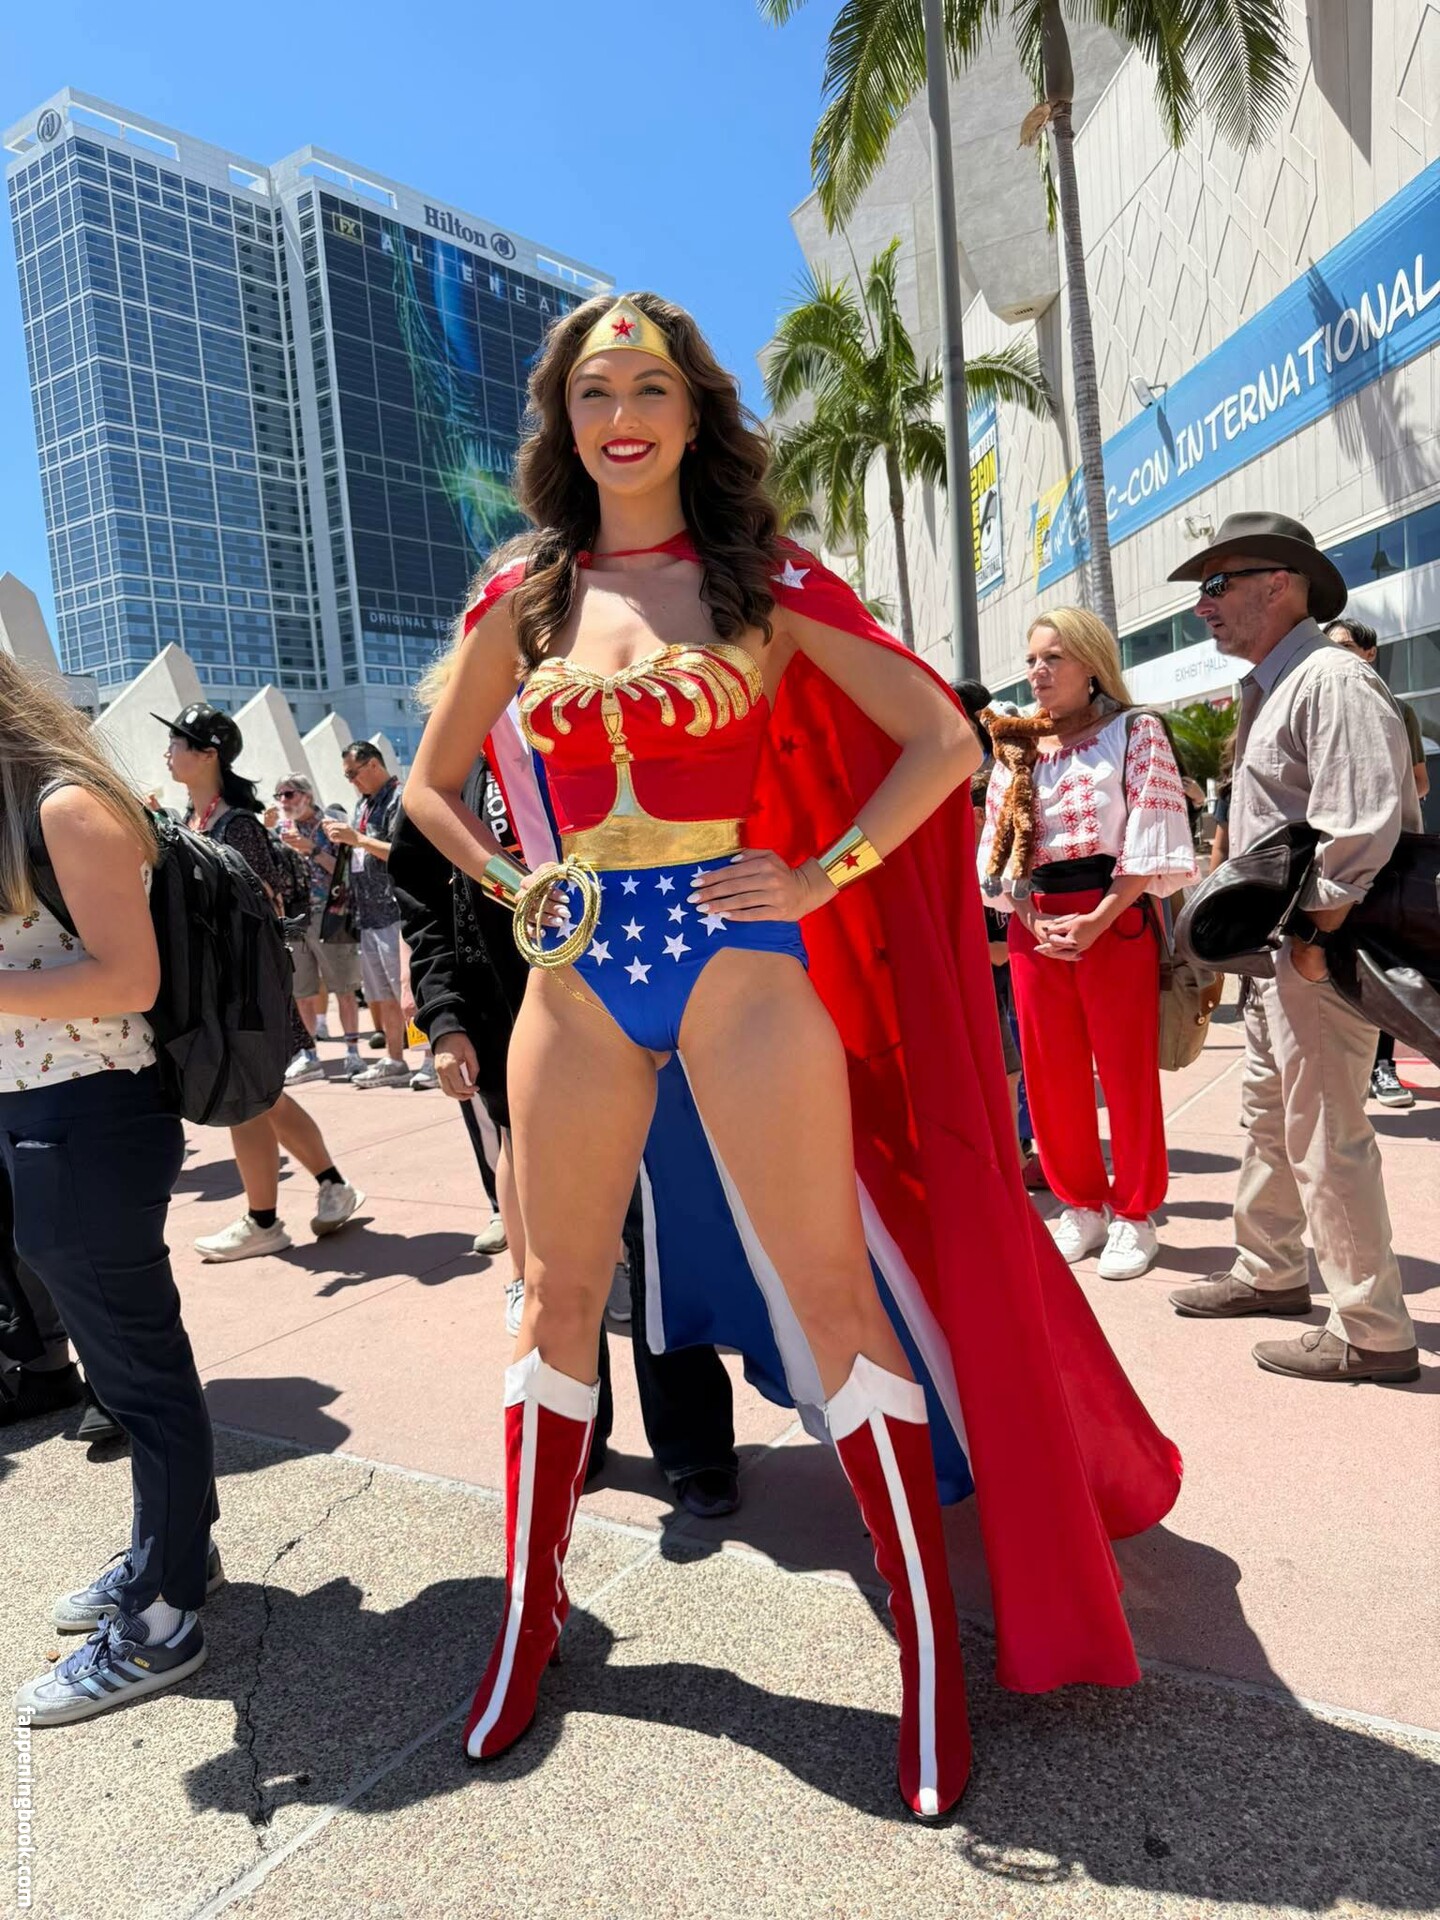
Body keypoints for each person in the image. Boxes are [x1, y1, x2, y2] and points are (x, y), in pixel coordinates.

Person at [405, 291, 1180, 1817]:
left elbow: (942, 740)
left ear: (694, 411)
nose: (620, 416)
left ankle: (930, 1660)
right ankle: (527, 1624)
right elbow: (432, 789)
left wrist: (823, 874)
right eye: (591, 393)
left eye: (648, 388)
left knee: (837, 1301)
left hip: (738, 966)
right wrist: (514, 883)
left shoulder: (761, 579)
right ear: (562, 423)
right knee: (553, 1298)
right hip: (577, 977)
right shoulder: (523, 593)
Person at [390, 754, 743, 1518]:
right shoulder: (456, 760)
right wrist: (445, 1017)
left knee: (664, 1237)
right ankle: (576, 1435)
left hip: (644, 1025)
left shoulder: (597, 724)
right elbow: (424, 902)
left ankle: (695, 1445)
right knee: (559, 1260)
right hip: (519, 1035)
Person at [0, 653, 221, 1725]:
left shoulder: (62, 806)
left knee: (138, 1375)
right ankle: (171, 1556)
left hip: (87, 1116)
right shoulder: (26, 814)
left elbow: (129, 978)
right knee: (130, 1366)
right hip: (46, 1113)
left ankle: (165, 1616)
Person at [1165, 512, 1420, 1384]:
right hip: (1283, 956)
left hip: (1319, 951)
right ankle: (1270, 1270)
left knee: (1325, 1132)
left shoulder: (1330, 681)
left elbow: (1363, 823)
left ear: (1280, 584)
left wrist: (1313, 937)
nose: (1202, 606)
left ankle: (1371, 1330)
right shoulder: (1278, 684)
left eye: (1216, 584)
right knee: (1271, 1118)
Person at [978, 609, 1198, 1281]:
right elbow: (999, 843)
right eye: (1031, 659)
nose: (1037, 671)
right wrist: (1025, 913)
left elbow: (1151, 830)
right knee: (1049, 1072)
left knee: (1125, 1071)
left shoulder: (1135, 730)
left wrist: (1100, 917)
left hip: (1115, 915)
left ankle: (1135, 1212)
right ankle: (1080, 1204)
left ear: (1092, 664)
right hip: (1035, 922)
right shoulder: (1017, 742)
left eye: (1053, 658)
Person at [158, 706, 364, 1259]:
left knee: (248, 1098)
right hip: (219, 985)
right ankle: (328, 1188)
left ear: (208, 755)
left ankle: (266, 1220)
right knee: (256, 1097)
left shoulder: (239, 827)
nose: (167, 752)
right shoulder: (194, 821)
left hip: (243, 986)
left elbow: (261, 910)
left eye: (177, 742)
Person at [1324, 618, 1427, 1111]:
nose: (1334, 654)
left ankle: (1382, 1065)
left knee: (1382, 962)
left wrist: (1379, 792)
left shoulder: (1396, 709)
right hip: (1327, 857)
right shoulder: (1316, 703)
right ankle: (1347, 1069)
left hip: (1386, 854)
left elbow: (1419, 782)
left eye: (1345, 646)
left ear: (1369, 653)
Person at [274, 774, 364, 1083]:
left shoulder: (329, 826)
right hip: (295, 919)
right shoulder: (281, 830)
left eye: (289, 794)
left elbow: (345, 870)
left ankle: (353, 1052)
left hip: (331, 914)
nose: (283, 801)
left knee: (344, 988)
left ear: (307, 796)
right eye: (279, 795)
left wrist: (311, 849)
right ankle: (310, 1056)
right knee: (302, 992)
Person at [328, 743, 409, 1088]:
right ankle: (395, 1059)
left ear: (373, 764)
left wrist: (358, 839)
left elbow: (402, 853)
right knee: (384, 997)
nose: (351, 781)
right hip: (369, 914)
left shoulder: (399, 799)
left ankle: (432, 1059)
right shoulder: (363, 804)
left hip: (395, 912)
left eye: (353, 773)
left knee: (408, 993)